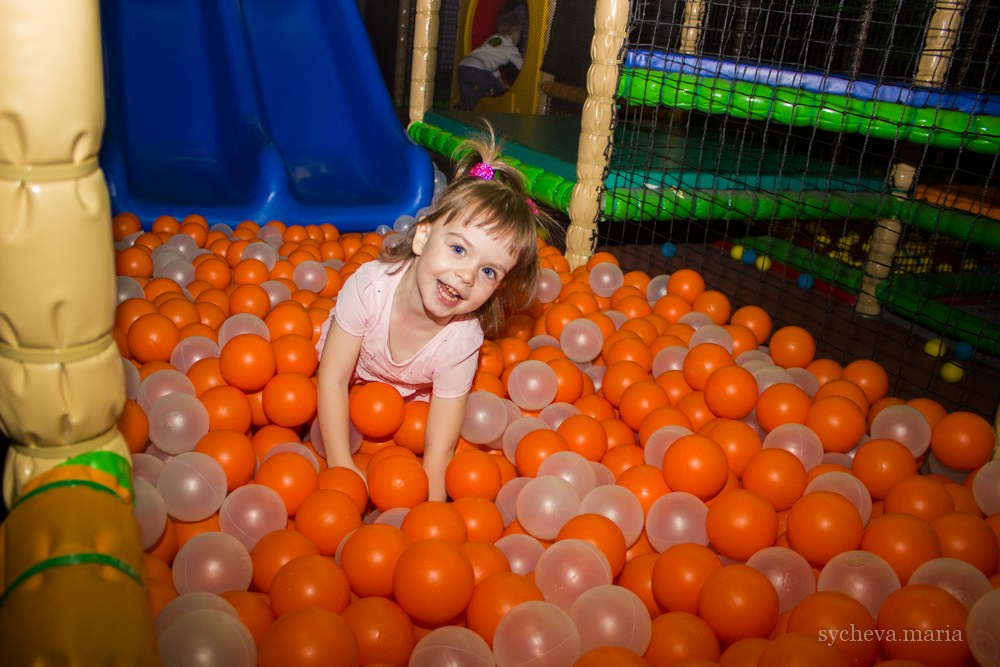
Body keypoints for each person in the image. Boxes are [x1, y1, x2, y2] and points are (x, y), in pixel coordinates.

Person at [316, 128, 556, 502]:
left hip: (413, 395)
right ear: (422, 237)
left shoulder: (462, 341)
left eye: (488, 271)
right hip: (352, 377)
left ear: (497, 288)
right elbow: (332, 380)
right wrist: (341, 463)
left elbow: (440, 447)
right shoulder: (367, 290)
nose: (466, 276)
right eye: (458, 249)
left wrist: (430, 510)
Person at [456, 13, 524, 110]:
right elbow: (522, 66)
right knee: (497, 88)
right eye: (519, 33)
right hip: (476, 69)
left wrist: (500, 81)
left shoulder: (494, 39)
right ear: (515, 32)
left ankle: (461, 108)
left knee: (466, 105)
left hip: (463, 67)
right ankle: (472, 97)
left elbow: (491, 65)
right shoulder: (510, 48)